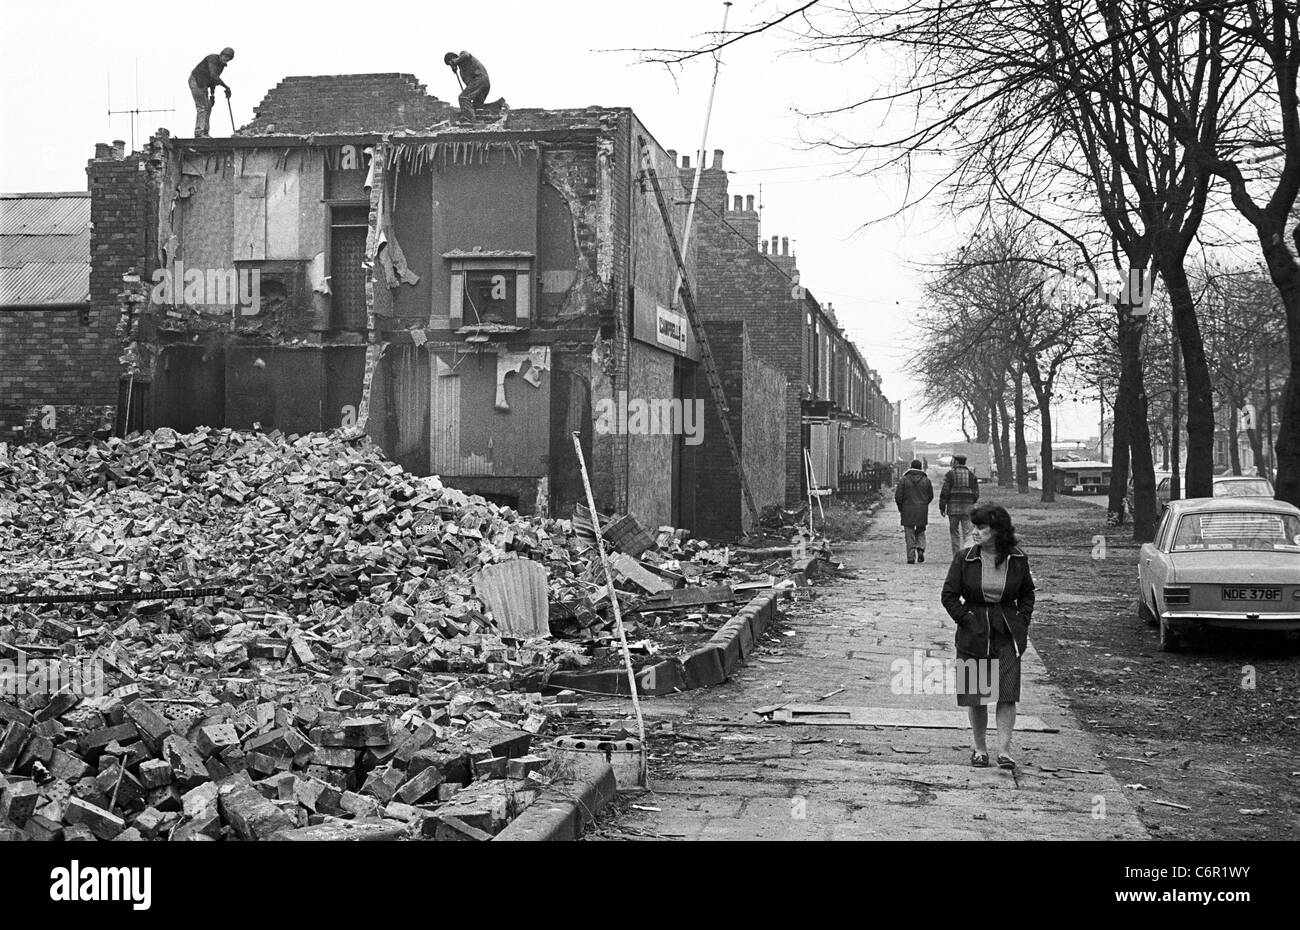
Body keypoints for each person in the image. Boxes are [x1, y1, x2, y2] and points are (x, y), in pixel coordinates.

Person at [940, 503, 1035, 769]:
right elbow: (948, 595)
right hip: (975, 633)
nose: (974, 532)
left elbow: (1027, 594)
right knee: (978, 694)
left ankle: (1004, 751)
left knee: (1006, 693)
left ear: (997, 531)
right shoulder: (965, 558)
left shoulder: (1017, 559)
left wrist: (1022, 620)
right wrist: (966, 619)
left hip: (1007, 632)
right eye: (974, 526)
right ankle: (980, 749)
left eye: (981, 527)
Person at [939, 452, 980, 555]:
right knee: (967, 533)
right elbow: (976, 492)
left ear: (956, 461)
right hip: (968, 508)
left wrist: (942, 506)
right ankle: (968, 554)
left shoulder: (950, 474)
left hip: (953, 508)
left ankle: (957, 555)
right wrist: (971, 501)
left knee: (954, 533)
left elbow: (945, 492)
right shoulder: (971, 475)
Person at [894, 458, 934, 563]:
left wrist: (901, 507)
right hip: (922, 509)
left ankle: (911, 557)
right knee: (921, 530)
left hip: (907, 509)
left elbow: (898, 496)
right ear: (921, 468)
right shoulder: (926, 480)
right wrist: (924, 504)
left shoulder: (904, 479)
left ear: (911, 467)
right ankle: (920, 548)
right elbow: (930, 496)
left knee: (909, 533)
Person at [189, 48, 234, 138]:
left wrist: (212, 96)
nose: (226, 59)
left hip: (204, 85)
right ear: (221, 54)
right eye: (225, 57)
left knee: (208, 107)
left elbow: (213, 81)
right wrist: (226, 87)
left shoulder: (221, 66)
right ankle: (199, 132)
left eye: (228, 59)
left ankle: (205, 132)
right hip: (196, 81)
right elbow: (214, 76)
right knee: (202, 107)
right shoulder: (212, 59)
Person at [445, 51, 490, 122]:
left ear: (453, 58)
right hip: (483, 83)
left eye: (450, 62)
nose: (451, 65)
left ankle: (469, 121)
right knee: (476, 105)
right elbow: (469, 84)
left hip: (480, 79)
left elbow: (466, 55)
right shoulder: (462, 72)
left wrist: (455, 61)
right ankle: (481, 121)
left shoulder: (463, 55)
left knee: (463, 97)